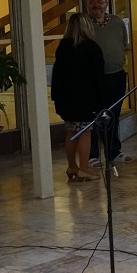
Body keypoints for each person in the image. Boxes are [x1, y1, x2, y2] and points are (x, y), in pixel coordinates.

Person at [51, 13, 105, 182]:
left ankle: (72, 166)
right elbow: (98, 75)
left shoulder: (63, 46)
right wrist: (101, 98)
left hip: (66, 97)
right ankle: (84, 168)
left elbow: (57, 74)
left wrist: (56, 96)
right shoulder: (91, 47)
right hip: (85, 98)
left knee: (71, 130)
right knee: (85, 132)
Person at [86, 0, 134, 168]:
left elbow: (123, 43)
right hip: (93, 79)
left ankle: (114, 152)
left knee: (113, 115)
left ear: (106, 4)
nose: (96, 5)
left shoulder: (117, 22)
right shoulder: (83, 24)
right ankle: (92, 155)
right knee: (93, 116)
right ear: (87, 5)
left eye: (100, 2)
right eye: (92, 2)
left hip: (116, 76)